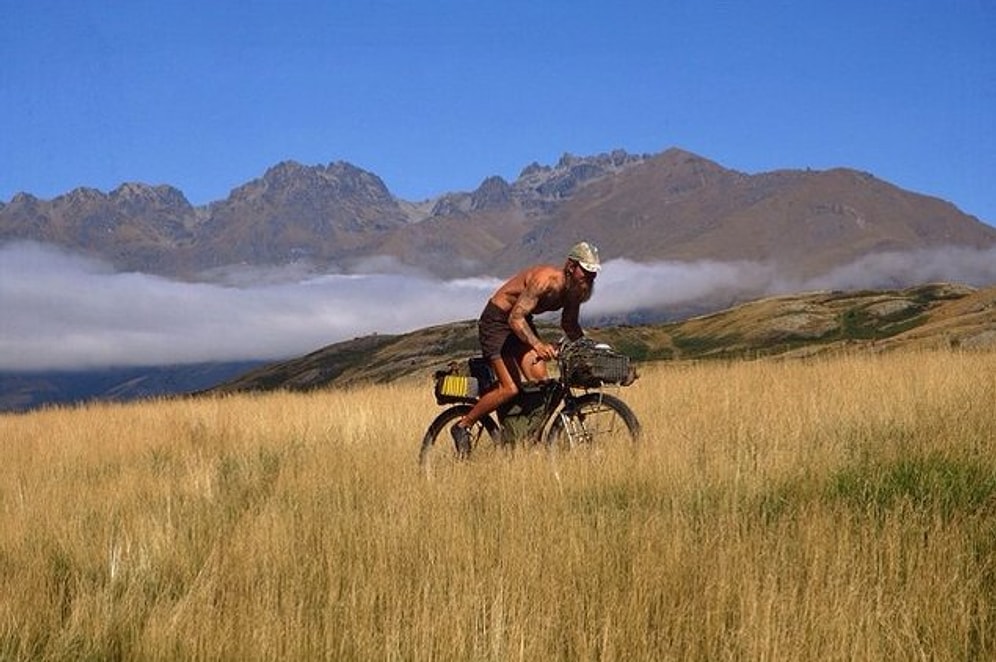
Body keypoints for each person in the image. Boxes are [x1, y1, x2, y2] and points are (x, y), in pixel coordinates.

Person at [451, 241, 601, 454]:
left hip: (521, 322)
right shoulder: (544, 281)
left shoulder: (575, 290)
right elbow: (515, 318)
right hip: (497, 321)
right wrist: (538, 345)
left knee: (542, 384)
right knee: (509, 388)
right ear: (571, 266)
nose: (589, 278)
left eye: (593, 274)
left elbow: (569, 325)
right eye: (585, 272)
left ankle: (522, 434)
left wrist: (588, 349)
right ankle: (463, 425)